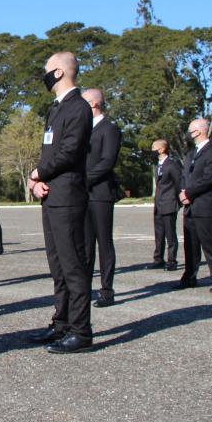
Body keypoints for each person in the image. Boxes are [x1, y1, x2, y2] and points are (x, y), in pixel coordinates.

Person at [26, 52, 93, 354]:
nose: (44, 76)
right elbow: (50, 152)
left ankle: (81, 330)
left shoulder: (79, 107)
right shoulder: (56, 109)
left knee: (73, 265)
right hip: (51, 195)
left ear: (60, 72)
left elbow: (69, 151)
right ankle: (61, 321)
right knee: (57, 266)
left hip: (68, 196)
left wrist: (38, 172)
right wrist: (38, 182)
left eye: (47, 71)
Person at [176, 119, 212, 292]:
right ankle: (189, 276)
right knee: (190, 245)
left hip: (204, 206)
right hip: (189, 207)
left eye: (190, 130)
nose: (188, 133)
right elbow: (185, 176)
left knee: (210, 243)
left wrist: (189, 193)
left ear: (198, 131)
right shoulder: (190, 154)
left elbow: (208, 179)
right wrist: (182, 192)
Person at [81, 89, 122, 307]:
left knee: (104, 243)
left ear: (95, 103)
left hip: (100, 194)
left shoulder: (110, 129)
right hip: (83, 195)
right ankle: (84, 288)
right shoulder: (84, 130)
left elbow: (107, 162)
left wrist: (84, 180)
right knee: (85, 245)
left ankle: (106, 290)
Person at [149, 139, 181, 271]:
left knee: (170, 234)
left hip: (169, 204)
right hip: (159, 205)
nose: (152, 151)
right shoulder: (158, 166)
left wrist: (178, 202)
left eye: (153, 148)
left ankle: (172, 260)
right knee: (159, 234)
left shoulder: (172, 165)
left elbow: (179, 183)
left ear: (161, 149)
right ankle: (158, 259)